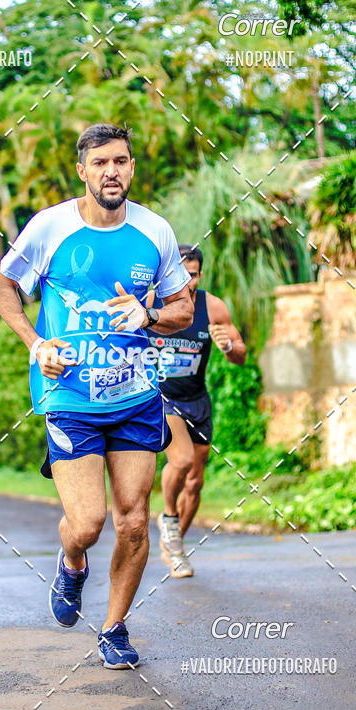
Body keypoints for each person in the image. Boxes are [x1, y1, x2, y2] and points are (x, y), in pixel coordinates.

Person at [0, 123, 193, 668]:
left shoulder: (155, 231)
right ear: (82, 170)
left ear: (131, 166)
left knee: (133, 519)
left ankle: (114, 627)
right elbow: (2, 285)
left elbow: (183, 309)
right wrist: (36, 343)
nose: (112, 171)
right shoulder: (50, 227)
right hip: (69, 395)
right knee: (88, 523)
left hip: (135, 396)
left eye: (121, 161)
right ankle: (72, 563)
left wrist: (148, 313)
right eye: (100, 162)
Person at [146, 245, 247, 577]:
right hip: (163, 398)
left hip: (197, 399)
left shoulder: (212, 306)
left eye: (192, 275)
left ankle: (175, 545)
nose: (186, 281)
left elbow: (241, 354)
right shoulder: (151, 304)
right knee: (182, 460)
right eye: (180, 274)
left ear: (199, 275)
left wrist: (229, 347)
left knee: (196, 483)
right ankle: (169, 516)